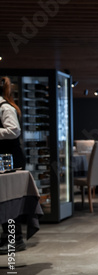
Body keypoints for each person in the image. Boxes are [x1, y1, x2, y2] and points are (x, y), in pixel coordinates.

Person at [0, 76, 27, 254]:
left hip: (9, 159)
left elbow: (13, 130)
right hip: (5, 158)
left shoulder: (4, 108)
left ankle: (15, 239)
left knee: (7, 199)